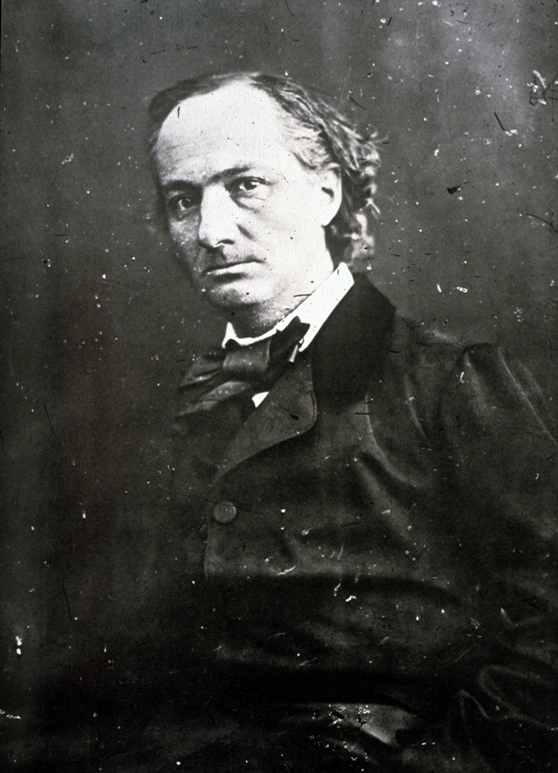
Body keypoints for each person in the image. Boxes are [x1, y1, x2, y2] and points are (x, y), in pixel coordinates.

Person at [145, 71, 558, 772]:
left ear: (326, 192)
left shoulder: (449, 379)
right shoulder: (179, 400)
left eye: (246, 185)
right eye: (183, 200)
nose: (211, 231)